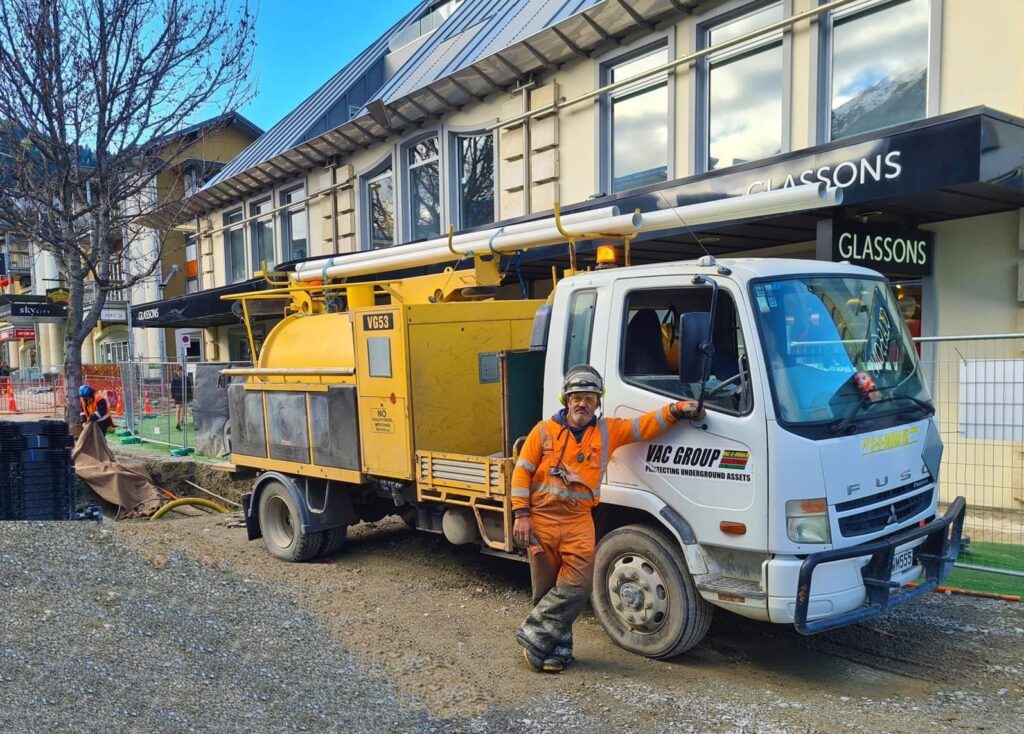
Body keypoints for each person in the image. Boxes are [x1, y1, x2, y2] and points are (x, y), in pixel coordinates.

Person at [511, 364, 704, 673]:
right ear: (566, 400)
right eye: (576, 397)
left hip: (578, 522)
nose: (582, 403)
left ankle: (533, 633)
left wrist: (677, 409)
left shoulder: (607, 431)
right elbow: (522, 471)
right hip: (541, 521)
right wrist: (521, 515)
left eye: (589, 397)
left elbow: (644, 427)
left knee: (577, 586)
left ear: (598, 402)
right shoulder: (543, 431)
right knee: (546, 590)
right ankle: (556, 651)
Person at [170, 366, 193, 431]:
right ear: (177, 372)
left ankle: (182, 420)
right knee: (178, 409)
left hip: (185, 395)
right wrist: (173, 396)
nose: (180, 372)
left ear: (183, 371)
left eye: (181, 371)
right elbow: (172, 388)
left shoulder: (187, 379)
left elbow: (189, 388)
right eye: (179, 371)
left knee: (184, 409)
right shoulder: (174, 379)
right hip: (177, 396)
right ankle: (178, 423)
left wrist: (190, 396)